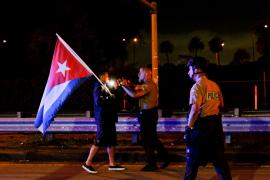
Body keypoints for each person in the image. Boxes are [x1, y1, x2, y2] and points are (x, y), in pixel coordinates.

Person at [183, 57, 232, 180]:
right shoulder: (214, 85)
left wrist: (188, 128)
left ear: (196, 69)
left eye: (189, 69)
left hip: (201, 127)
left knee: (192, 161)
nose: (188, 72)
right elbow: (221, 104)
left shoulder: (197, 87)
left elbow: (194, 111)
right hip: (215, 127)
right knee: (220, 163)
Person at [120, 67, 170, 171]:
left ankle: (152, 164)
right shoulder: (146, 85)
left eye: (140, 72)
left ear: (147, 74)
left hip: (149, 114)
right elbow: (135, 89)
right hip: (148, 114)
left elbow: (134, 94)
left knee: (146, 139)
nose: (138, 74)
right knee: (152, 139)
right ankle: (165, 158)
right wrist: (128, 85)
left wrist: (123, 86)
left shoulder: (149, 85)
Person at [82, 70, 126, 174]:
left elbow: (114, 98)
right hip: (103, 118)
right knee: (99, 139)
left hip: (109, 118)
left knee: (111, 140)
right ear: (101, 76)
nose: (108, 77)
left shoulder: (105, 86)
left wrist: (115, 89)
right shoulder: (98, 86)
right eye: (106, 76)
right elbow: (99, 101)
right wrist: (111, 97)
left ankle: (112, 164)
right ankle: (87, 163)